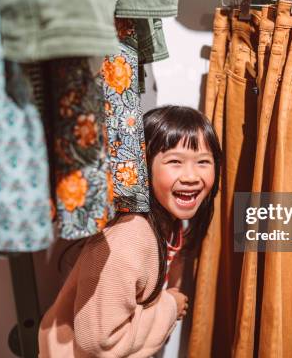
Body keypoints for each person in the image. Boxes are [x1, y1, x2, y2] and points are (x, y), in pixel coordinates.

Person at [38, 105, 222, 357]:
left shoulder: (172, 222)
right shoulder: (128, 236)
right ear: (144, 167)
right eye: (175, 162)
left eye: (203, 162)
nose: (191, 176)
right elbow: (98, 340)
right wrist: (169, 307)